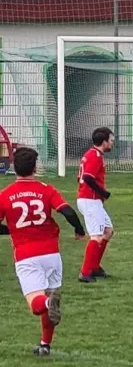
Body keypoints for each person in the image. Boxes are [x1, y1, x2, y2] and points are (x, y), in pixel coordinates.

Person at [0, 147, 86, 355]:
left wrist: (12, 229)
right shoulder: (46, 189)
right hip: (52, 255)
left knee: (38, 304)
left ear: (13, 167)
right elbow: (66, 210)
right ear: (35, 167)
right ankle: (45, 345)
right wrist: (79, 229)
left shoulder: (5, 195)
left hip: (26, 256)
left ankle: (49, 302)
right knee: (50, 299)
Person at [77, 127, 115, 283]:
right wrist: (103, 192)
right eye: (111, 141)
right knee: (97, 236)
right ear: (104, 142)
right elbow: (87, 178)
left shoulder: (92, 154)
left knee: (108, 231)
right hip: (90, 201)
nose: (112, 144)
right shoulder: (95, 156)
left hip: (91, 200)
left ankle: (95, 267)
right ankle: (85, 272)